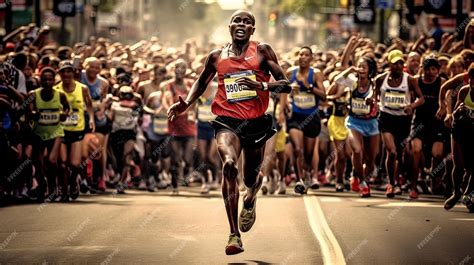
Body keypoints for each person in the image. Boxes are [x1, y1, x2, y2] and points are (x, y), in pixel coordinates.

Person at [167, 10, 291, 255]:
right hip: (226, 121)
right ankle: (234, 234)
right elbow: (202, 82)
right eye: (238, 20)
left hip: (255, 122)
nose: (242, 24)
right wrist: (187, 104)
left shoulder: (263, 51)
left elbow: (286, 83)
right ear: (230, 26)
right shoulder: (216, 56)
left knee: (250, 179)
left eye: (248, 21)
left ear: (253, 29)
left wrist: (262, 85)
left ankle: (250, 197)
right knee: (229, 165)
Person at [375, 50, 424, 198]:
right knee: (392, 151)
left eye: (401, 63)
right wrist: (374, 101)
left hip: (403, 120)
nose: (398, 65)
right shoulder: (380, 79)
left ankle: (402, 181)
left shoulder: (410, 80)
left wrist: (411, 107)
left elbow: (421, 99)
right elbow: (374, 95)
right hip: (386, 118)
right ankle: (391, 184)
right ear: (389, 64)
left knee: (401, 155)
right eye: (395, 63)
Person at [281, 46, 327, 194]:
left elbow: (324, 96)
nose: (303, 57)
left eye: (306, 55)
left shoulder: (316, 74)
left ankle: (307, 173)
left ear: (311, 58)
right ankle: (299, 180)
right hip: (295, 116)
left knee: (307, 153)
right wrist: (284, 105)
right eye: (301, 54)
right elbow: (283, 90)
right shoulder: (290, 72)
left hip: (312, 117)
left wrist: (310, 87)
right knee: (297, 149)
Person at [28, 67, 70, 201]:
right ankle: (43, 185)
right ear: (40, 79)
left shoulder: (60, 95)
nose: (47, 82)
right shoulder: (33, 94)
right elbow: (29, 112)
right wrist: (33, 114)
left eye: (50, 79)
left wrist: (65, 114)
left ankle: (54, 190)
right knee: (39, 165)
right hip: (39, 133)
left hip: (55, 132)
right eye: (44, 79)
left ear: (54, 80)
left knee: (52, 161)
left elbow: (67, 108)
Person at [55, 61, 95, 201]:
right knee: (62, 163)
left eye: (69, 71)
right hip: (61, 129)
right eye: (63, 72)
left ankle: (73, 182)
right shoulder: (56, 89)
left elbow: (89, 104)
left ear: (73, 73)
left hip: (77, 128)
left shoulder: (82, 88)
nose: (66, 74)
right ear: (59, 73)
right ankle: (64, 192)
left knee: (74, 164)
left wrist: (91, 119)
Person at [409, 56, 447, 199]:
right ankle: (413, 186)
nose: (430, 72)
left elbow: (447, 98)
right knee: (416, 151)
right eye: (427, 69)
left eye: (433, 69)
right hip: (419, 122)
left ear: (438, 70)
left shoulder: (442, 82)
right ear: (422, 69)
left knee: (437, 154)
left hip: (436, 122)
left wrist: (444, 108)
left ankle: (432, 176)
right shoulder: (415, 80)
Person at [163, 59, 196, 194]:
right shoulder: (168, 85)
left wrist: (187, 111)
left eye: (183, 67)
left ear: (186, 70)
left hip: (188, 126)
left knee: (187, 160)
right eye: (177, 67)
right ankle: (175, 185)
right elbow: (166, 100)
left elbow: (193, 101)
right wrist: (170, 110)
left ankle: (188, 174)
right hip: (174, 127)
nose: (180, 70)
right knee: (175, 159)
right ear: (173, 69)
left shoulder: (190, 85)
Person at [444, 64, 474, 212]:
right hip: (459, 130)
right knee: (459, 164)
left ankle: (468, 193)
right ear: (469, 79)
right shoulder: (464, 91)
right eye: (472, 80)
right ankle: (456, 193)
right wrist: (456, 111)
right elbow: (455, 114)